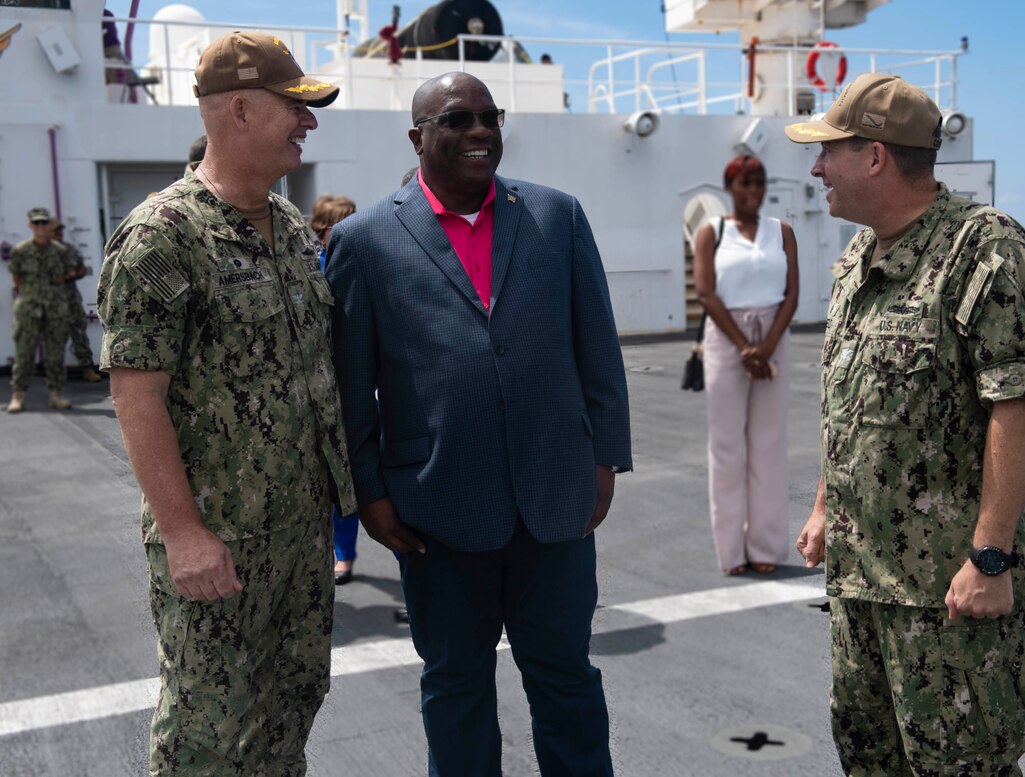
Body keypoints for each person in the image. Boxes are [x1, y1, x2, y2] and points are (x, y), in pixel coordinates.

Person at [326, 72, 631, 776]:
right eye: (457, 119)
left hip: (555, 502)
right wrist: (368, 494)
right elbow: (350, 387)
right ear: (418, 136)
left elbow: (597, 348)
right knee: (455, 687)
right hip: (436, 513)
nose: (479, 131)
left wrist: (605, 458)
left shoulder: (558, 216)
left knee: (566, 678)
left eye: (489, 117)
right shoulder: (363, 240)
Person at [96, 32, 356, 776]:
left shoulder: (291, 229)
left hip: (300, 534)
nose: (308, 124)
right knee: (207, 734)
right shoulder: (161, 236)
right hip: (222, 541)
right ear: (240, 110)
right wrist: (183, 534)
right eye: (295, 109)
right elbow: (135, 393)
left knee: (289, 711)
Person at [788, 72, 1025, 775]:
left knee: (965, 766)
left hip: (951, 595)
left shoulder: (984, 248)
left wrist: (990, 558)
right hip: (862, 586)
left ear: (875, 155)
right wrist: (822, 506)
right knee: (871, 759)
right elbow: (853, 402)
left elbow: (1017, 404)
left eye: (829, 151)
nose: (817, 168)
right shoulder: (854, 262)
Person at [693, 154, 798, 575]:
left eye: (759, 183)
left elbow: (792, 293)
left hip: (774, 334)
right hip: (726, 337)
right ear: (730, 187)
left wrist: (767, 345)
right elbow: (705, 293)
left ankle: (765, 548)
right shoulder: (711, 232)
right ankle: (732, 551)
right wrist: (745, 348)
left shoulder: (782, 232)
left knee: (769, 444)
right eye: (745, 183)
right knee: (727, 446)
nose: (753, 191)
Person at [310, 193, 361, 584]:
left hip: (364, 386)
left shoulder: (366, 262)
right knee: (339, 483)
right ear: (324, 230)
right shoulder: (309, 268)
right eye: (342, 224)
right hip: (326, 390)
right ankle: (343, 555)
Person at [6, 207, 74, 413]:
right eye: (36, 223)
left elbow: (67, 274)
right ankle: (18, 395)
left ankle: (56, 395)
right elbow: (16, 278)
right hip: (29, 308)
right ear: (30, 225)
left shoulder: (60, 251)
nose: (41, 227)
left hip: (55, 308)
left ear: (49, 225)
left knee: (55, 353)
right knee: (24, 353)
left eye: (44, 223)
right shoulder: (21, 250)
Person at [52, 221, 103, 383]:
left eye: (60, 230)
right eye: (55, 230)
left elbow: (82, 270)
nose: (59, 233)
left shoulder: (71, 250)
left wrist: (74, 275)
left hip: (72, 299)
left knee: (79, 333)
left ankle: (87, 369)